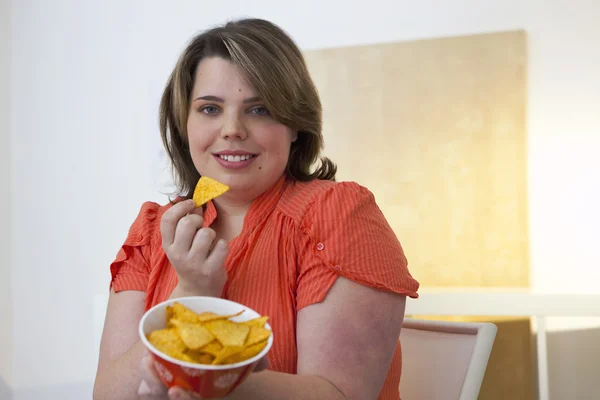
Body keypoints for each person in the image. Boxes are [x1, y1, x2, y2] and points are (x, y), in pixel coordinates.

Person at [93, 18, 419, 400]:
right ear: (185, 124)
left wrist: (214, 384)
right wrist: (189, 292)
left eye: (259, 109)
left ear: (295, 124)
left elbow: (339, 394)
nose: (232, 129)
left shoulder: (338, 214)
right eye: (210, 109)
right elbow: (108, 394)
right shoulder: (151, 230)